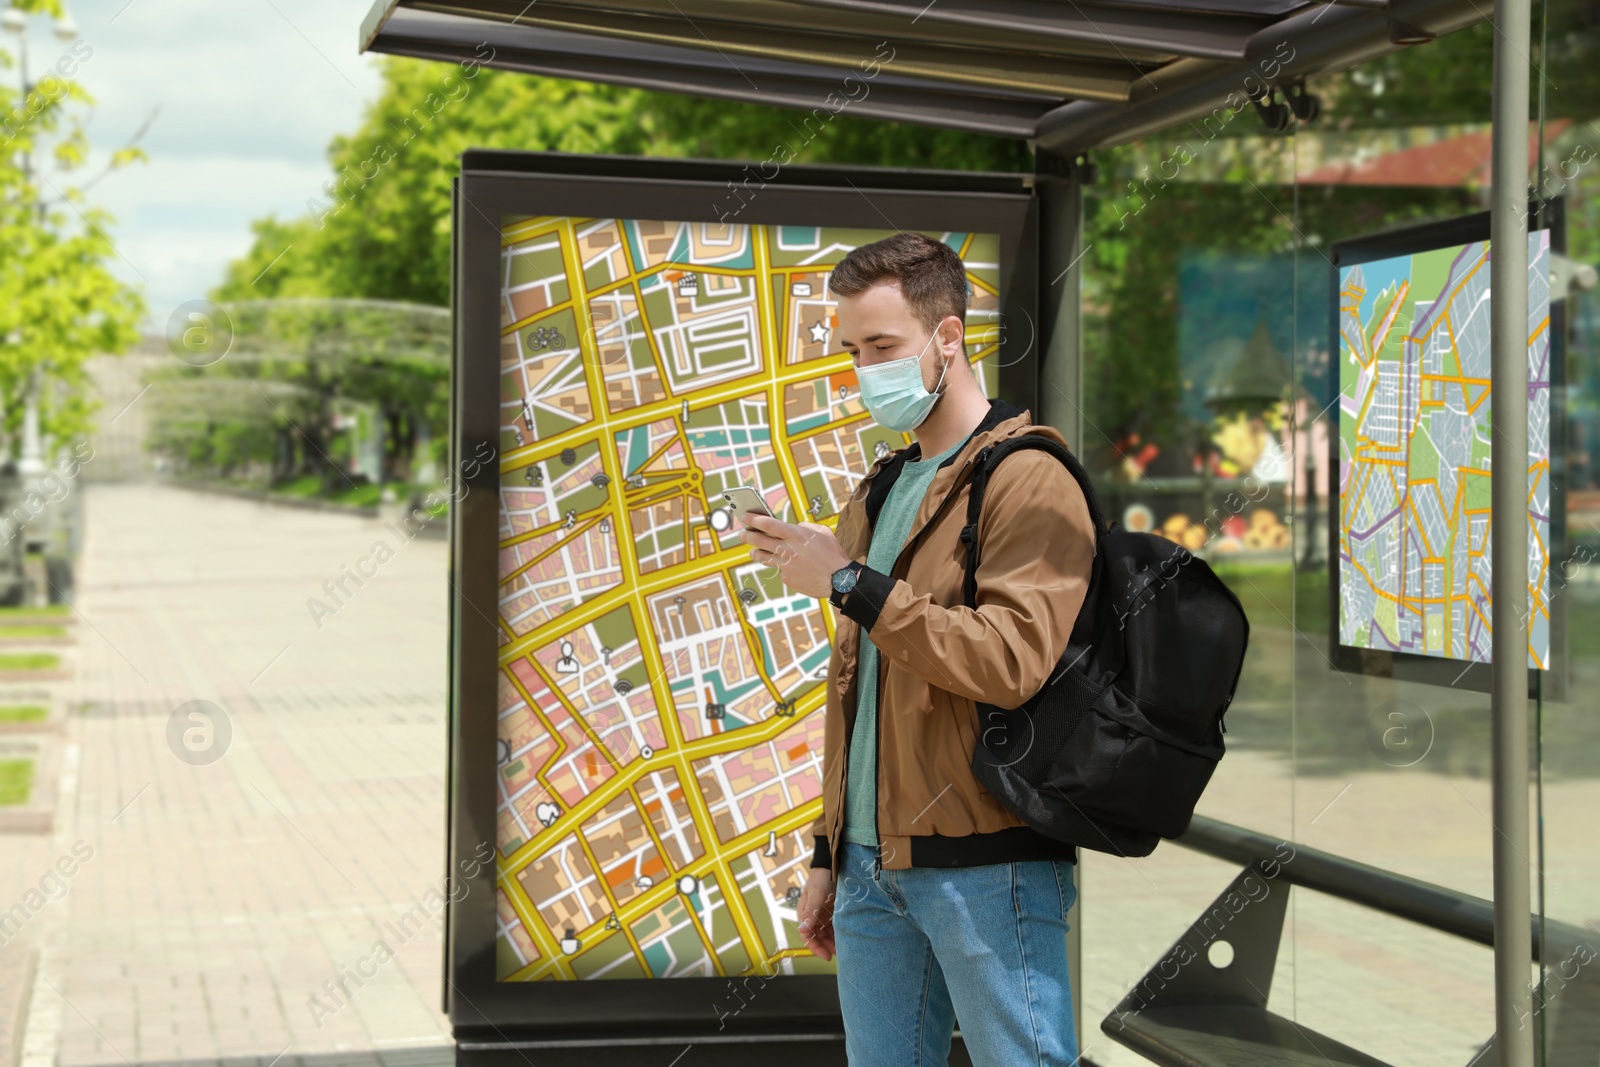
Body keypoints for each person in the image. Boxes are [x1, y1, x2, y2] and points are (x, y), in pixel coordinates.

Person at [737, 232, 1097, 1066]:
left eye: (884, 347)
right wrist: (828, 852)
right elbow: (853, 689)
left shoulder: (1029, 475)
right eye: (853, 350)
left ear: (946, 337)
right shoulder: (883, 486)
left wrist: (851, 582)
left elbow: (1010, 661)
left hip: (988, 867)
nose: (867, 370)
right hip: (869, 866)